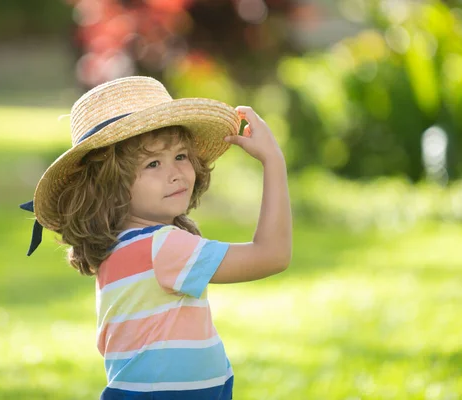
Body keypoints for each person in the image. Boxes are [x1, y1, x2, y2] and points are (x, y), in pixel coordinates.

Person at [20, 76, 292, 399]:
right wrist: (273, 160)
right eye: (152, 163)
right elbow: (272, 255)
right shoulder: (161, 246)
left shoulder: (118, 247)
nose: (175, 172)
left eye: (180, 156)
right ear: (112, 186)